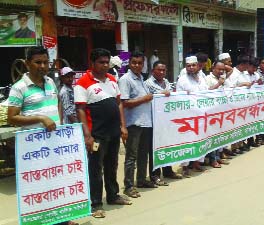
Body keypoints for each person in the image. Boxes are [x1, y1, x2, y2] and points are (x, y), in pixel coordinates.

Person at [8, 46, 78, 225]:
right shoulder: (19, 88)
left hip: (54, 143)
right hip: (34, 148)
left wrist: (61, 125)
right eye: (38, 62)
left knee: (57, 181)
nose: (43, 66)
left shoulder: (50, 83)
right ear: (27, 64)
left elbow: (57, 105)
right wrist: (40, 118)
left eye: (46, 62)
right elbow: (12, 117)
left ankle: (62, 219)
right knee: (38, 186)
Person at [74, 48, 131, 218]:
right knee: (95, 169)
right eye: (101, 62)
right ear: (92, 63)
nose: (105, 65)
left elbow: (119, 104)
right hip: (96, 134)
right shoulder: (83, 83)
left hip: (113, 132)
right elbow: (81, 110)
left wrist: (123, 126)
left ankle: (113, 196)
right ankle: (96, 203)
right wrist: (87, 135)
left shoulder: (113, 80)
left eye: (107, 62)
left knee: (112, 165)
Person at [119, 51, 161, 199]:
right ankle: (129, 186)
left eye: (140, 63)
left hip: (146, 122)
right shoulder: (126, 79)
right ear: (129, 64)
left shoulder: (141, 78)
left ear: (143, 65)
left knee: (144, 154)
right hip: (134, 123)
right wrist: (144, 99)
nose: (137, 65)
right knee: (131, 156)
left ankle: (141, 180)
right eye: (134, 63)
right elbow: (124, 103)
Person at [144, 61, 183, 179]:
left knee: (167, 145)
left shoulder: (166, 82)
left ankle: (167, 170)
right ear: (152, 71)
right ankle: (155, 174)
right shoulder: (147, 84)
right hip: (153, 120)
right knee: (154, 148)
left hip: (166, 120)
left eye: (163, 70)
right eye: (159, 70)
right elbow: (147, 99)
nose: (161, 72)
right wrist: (161, 94)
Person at [176, 56, 209, 176]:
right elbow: (179, 97)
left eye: (193, 65)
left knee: (200, 138)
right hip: (188, 116)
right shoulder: (182, 80)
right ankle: (185, 166)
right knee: (187, 140)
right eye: (188, 66)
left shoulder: (202, 78)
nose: (191, 68)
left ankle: (196, 163)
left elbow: (206, 92)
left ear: (197, 66)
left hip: (201, 114)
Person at [204, 61, 232, 168]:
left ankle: (217, 157)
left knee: (219, 135)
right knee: (212, 136)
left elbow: (229, 88)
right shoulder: (208, 78)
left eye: (222, 69)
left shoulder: (224, 79)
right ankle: (212, 159)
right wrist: (218, 84)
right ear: (213, 68)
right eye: (219, 69)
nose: (221, 71)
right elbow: (206, 92)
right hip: (211, 113)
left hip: (222, 111)